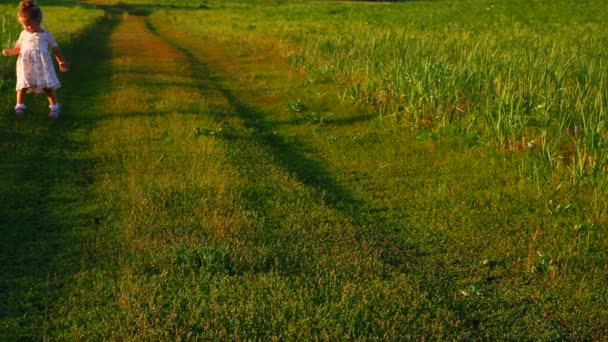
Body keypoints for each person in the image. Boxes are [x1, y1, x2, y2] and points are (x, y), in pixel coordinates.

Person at [2, 0, 68, 118]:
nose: (26, 27)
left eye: (29, 25)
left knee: (47, 87)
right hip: (26, 65)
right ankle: (19, 106)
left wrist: (60, 61)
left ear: (38, 20)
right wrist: (10, 52)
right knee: (23, 85)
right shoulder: (24, 34)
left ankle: (54, 108)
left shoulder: (46, 34)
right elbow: (19, 48)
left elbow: (55, 48)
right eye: (23, 25)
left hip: (42, 65)